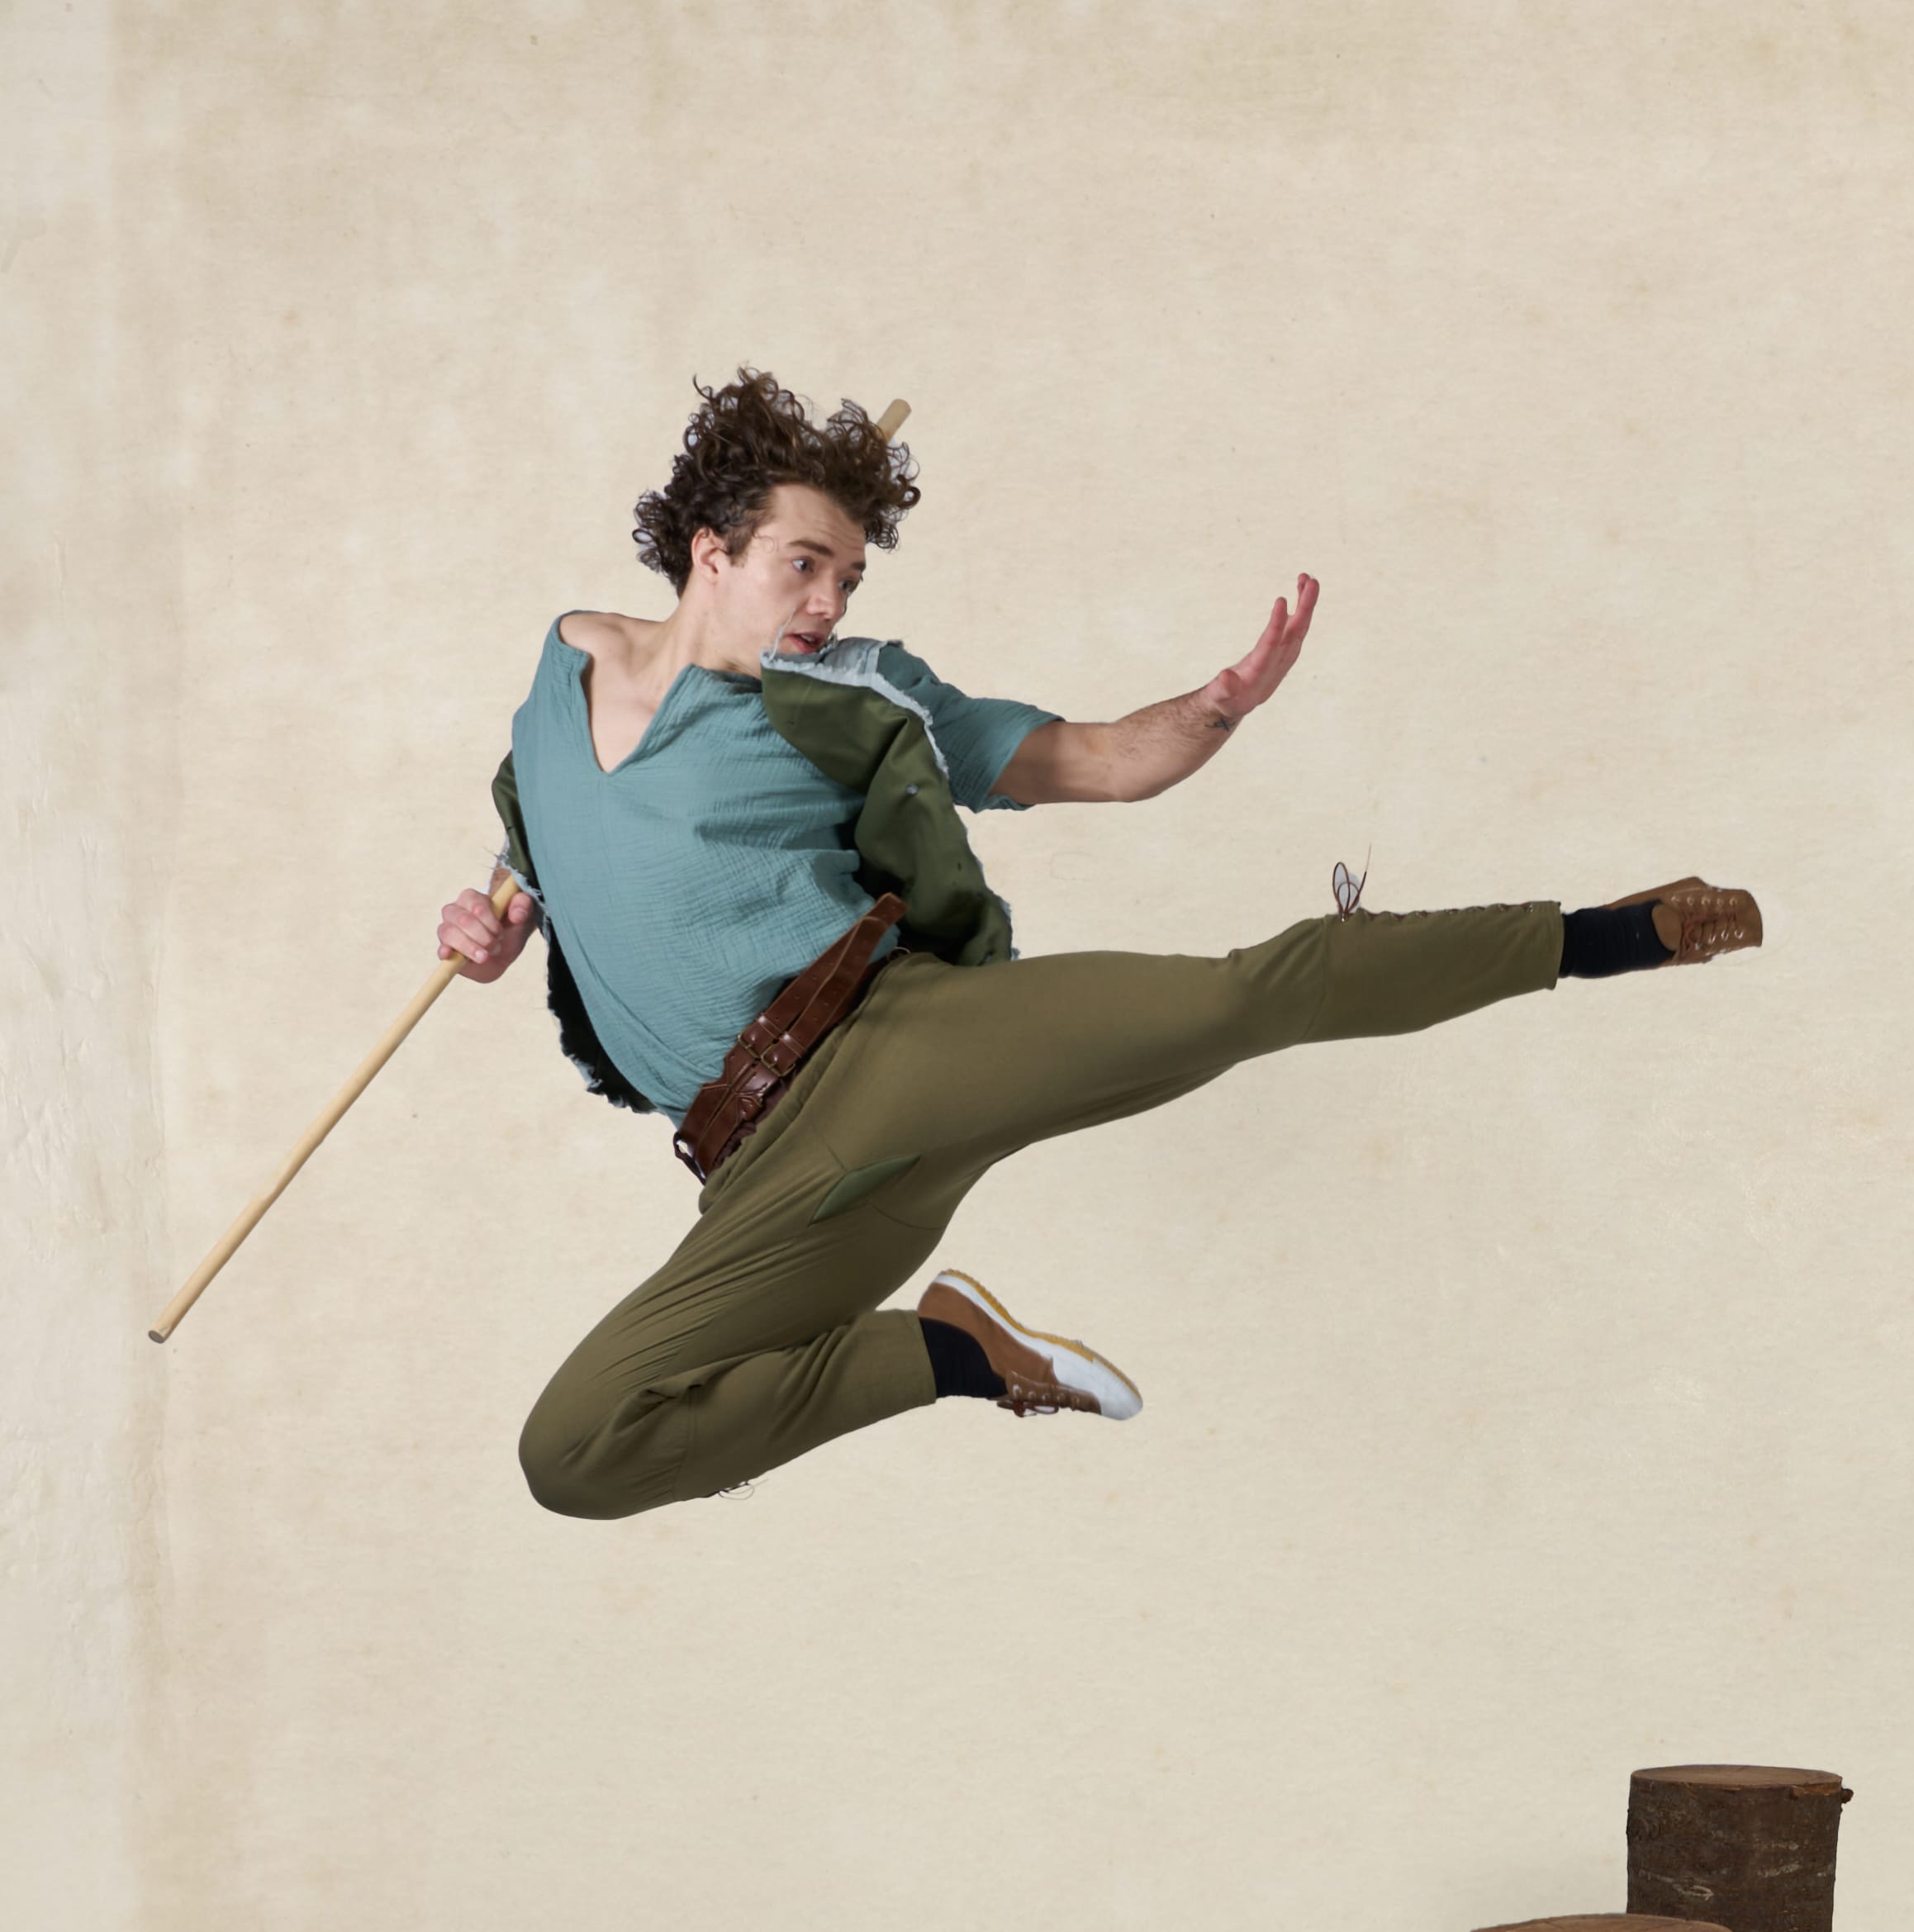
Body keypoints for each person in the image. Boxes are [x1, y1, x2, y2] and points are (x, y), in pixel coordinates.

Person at [434, 368, 1762, 1517]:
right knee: (574, 1453)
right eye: (806, 564)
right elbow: (539, 852)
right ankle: (945, 1355)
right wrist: (491, 930)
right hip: (764, 1184)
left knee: (1233, 1003)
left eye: (849, 575)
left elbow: (1095, 761)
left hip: (896, 1056)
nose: (830, 600)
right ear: (710, 551)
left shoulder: (841, 693)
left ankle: (1610, 934)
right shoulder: (561, 678)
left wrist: (1218, 707)